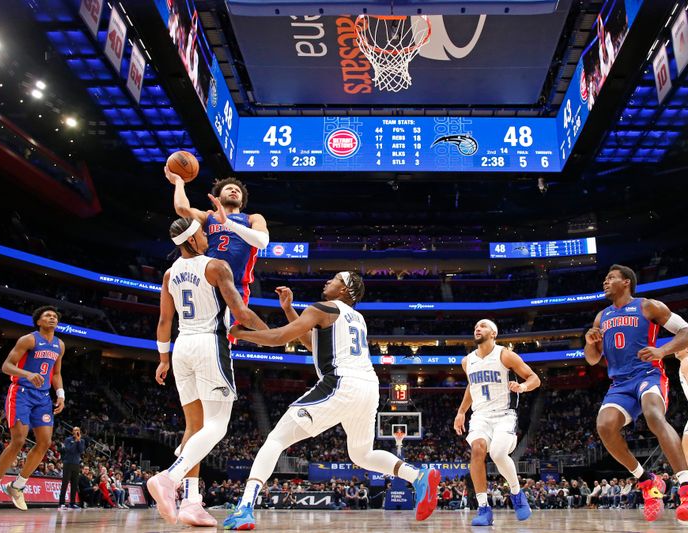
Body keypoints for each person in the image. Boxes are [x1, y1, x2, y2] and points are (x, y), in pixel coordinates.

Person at [223, 272, 440, 530]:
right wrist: (289, 309)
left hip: (341, 382)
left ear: (344, 290)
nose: (328, 281)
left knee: (276, 439)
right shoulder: (357, 318)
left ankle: (245, 507)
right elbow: (313, 344)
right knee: (362, 454)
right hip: (368, 387)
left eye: (335, 279)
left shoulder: (323, 308)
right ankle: (417, 476)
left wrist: (240, 333)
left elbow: (279, 338)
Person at [148, 216, 267, 527]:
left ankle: (191, 502)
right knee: (217, 425)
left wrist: (162, 359)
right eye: (202, 233)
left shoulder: (170, 273)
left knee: (194, 427)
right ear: (191, 240)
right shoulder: (216, 266)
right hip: (208, 344)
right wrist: (273, 333)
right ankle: (169, 478)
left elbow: (163, 322)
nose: (206, 236)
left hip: (180, 347)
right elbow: (240, 312)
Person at [584, 264, 688, 522]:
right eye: (605, 279)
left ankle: (685, 487)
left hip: (648, 375)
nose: (605, 282)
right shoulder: (601, 317)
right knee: (604, 426)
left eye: (611, 278)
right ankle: (646, 481)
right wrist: (590, 344)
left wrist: (662, 351)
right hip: (619, 383)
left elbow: (685, 330)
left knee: (654, 415)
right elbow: (593, 360)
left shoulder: (648, 306)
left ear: (626, 282)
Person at [0, 306, 67, 516]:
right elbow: (6, 366)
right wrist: (27, 374)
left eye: (55, 316)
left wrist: (61, 394)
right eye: (48, 315)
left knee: (45, 442)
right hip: (21, 392)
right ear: (38, 321)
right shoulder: (28, 340)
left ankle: (17, 486)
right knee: (18, 440)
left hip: (44, 397)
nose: (52, 318)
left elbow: (56, 373)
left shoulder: (59, 345)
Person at [454, 318, 539, 526]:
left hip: (504, 415)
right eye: (475, 326)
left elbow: (534, 378)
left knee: (498, 453)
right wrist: (461, 412)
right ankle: (483, 508)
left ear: (493, 334)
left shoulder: (505, 355)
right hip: (480, 416)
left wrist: (523, 387)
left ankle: (517, 494)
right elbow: (471, 387)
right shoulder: (467, 361)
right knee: (477, 449)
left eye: (482, 326)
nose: (477, 328)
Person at [167, 168, 269, 305]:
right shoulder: (207, 217)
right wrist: (179, 182)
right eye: (229, 189)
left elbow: (262, 242)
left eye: (237, 190)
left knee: (231, 327)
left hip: (236, 286)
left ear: (242, 201)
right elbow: (182, 209)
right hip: (206, 282)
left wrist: (228, 223)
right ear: (219, 198)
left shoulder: (252, 218)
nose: (234, 191)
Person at [59, 426, 85, 510]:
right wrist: (75, 441)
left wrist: (78, 441)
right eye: (74, 430)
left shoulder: (82, 440)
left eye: (77, 430)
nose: (76, 432)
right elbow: (69, 450)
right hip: (67, 463)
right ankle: (61, 503)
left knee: (74, 484)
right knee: (65, 483)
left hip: (76, 464)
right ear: (72, 432)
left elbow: (81, 450)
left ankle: (72, 503)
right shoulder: (68, 440)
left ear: (80, 431)